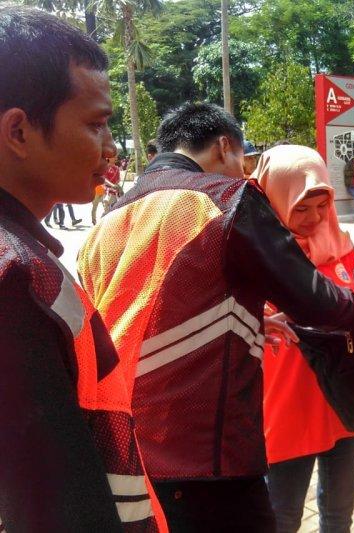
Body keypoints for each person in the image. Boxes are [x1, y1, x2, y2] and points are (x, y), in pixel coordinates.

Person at [78, 102, 354, 532]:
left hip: (129, 451)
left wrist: (246, 319)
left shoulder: (107, 221)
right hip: (208, 460)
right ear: (225, 147)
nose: (243, 174)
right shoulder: (227, 199)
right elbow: (318, 302)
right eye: (242, 162)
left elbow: (144, 308)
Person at [0, 6, 167, 531]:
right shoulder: (17, 280)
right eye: (96, 124)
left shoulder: (26, 258)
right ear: (19, 131)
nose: (112, 148)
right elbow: (52, 508)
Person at [254, 145, 354, 533]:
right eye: (301, 208)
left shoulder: (341, 246)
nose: (315, 218)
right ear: (274, 199)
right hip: (287, 410)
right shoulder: (254, 256)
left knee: (339, 513)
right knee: (282, 518)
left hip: (344, 405)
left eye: (322, 205)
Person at [92, 154, 119, 224]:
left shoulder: (116, 168)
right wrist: (112, 185)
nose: (116, 158)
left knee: (110, 208)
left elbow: (118, 180)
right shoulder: (102, 168)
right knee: (97, 206)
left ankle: (105, 222)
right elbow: (103, 179)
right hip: (102, 190)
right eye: (114, 157)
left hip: (111, 191)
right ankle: (95, 221)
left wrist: (116, 187)